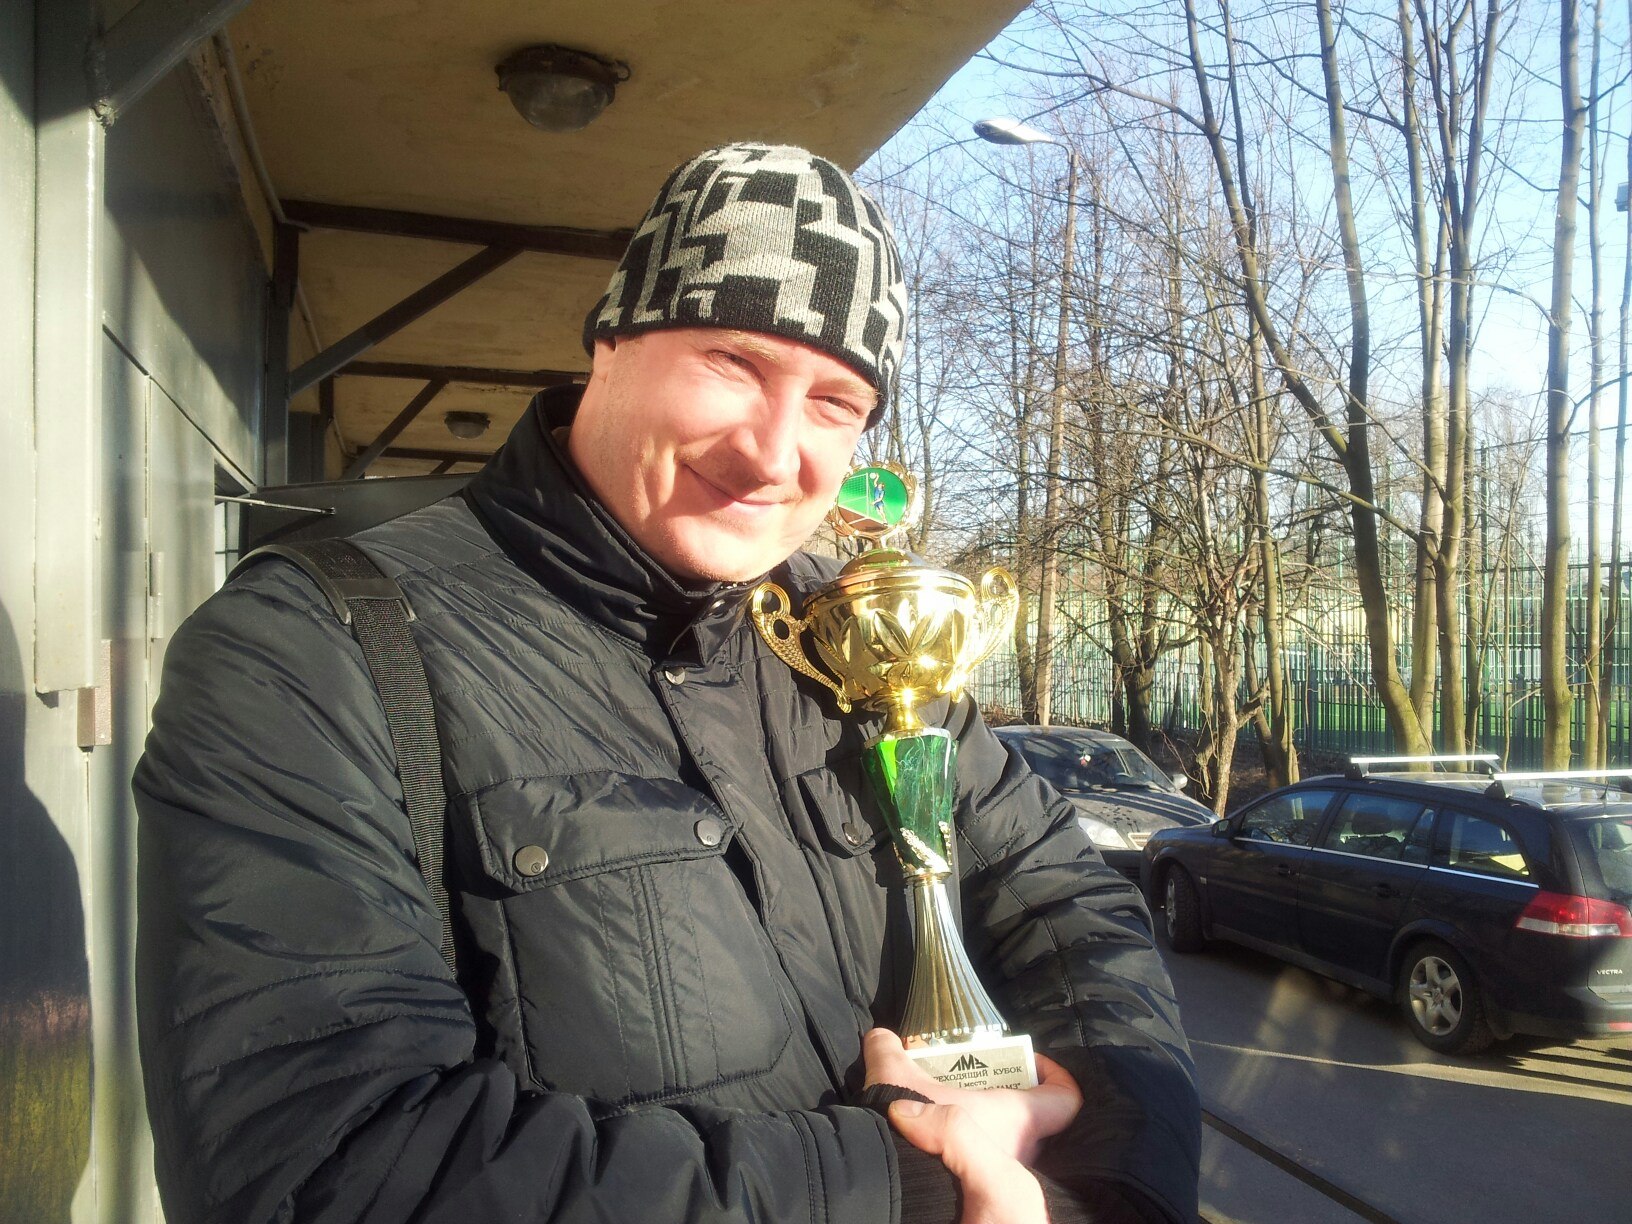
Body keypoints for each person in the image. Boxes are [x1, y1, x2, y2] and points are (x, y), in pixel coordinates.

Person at [134, 142, 1200, 1224]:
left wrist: (1114, 1172)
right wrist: (931, 1184)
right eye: (734, 362)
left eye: (836, 402)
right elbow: (320, 1159)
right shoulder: (318, 646)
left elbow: (1065, 897)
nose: (773, 453)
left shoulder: (850, 636)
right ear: (611, 341)